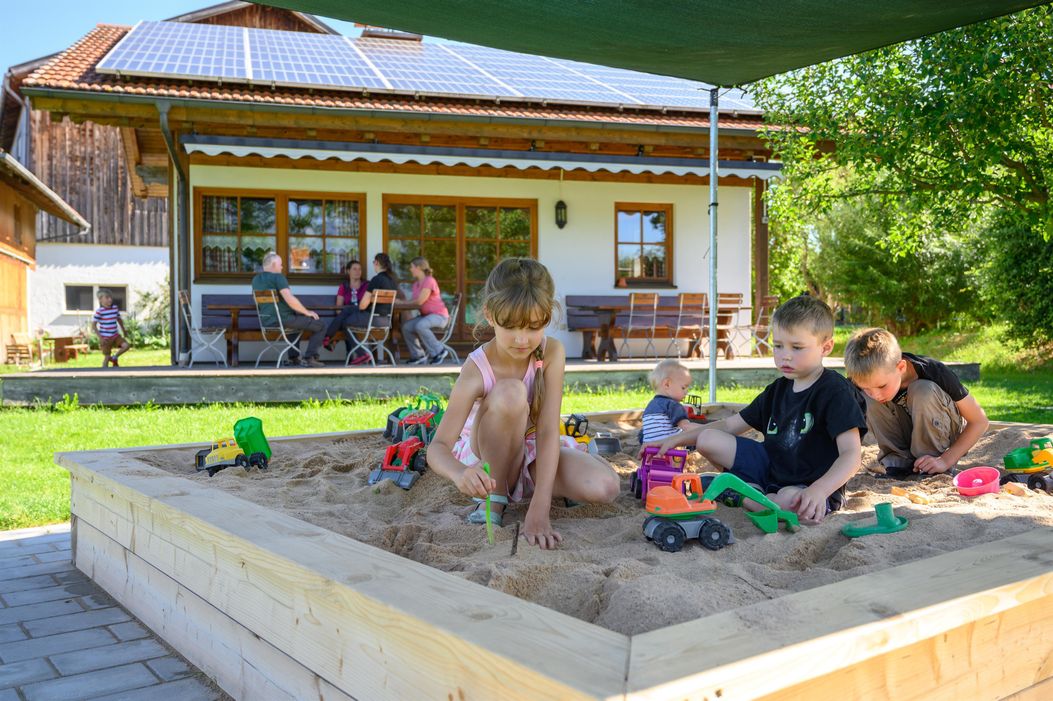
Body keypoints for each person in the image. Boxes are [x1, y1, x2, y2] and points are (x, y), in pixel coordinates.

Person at [426, 258, 620, 549]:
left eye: (533, 327)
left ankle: (529, 490)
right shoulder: (477, 367)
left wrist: (540, 508)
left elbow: (546, 431)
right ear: (490, 315)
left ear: (547, 316)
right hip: (488, 460)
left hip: (529, 453)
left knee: (605, 487)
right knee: (511, 393)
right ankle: (496, 498)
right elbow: (438, 447)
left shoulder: (552, 351)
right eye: (512, 326)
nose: (522, 339)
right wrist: (459, 474)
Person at [644, 295, 867, 523]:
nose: (785, 355)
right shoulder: (778, 389)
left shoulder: (835, 391)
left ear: (826, 347)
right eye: (778, 346)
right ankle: (750, 491)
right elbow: (730, 425)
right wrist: (675, 440)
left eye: (797, 347)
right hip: (769, 467)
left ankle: (743, 493)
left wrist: (820, 490)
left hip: (809, 483)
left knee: (791, 503)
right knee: (708, 438)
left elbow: (851, 455)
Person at [844, 327, 989, 477]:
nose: (875, 394)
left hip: (941, 442)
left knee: (922, 389)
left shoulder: (934, 371)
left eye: (882, 386)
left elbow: (979, 421)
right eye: (866, 387)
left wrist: (945, 460)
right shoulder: (865, 386)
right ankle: (898, 464)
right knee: (865, 399)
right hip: (904, 436)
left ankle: (929, 466)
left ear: (901, 367)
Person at [251, 252, 326, 367]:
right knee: (320, 325)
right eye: (280, 264)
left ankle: (293, 358)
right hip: (283, 319)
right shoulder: (278, 277)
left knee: (295, 324)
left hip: (267, 321)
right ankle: (310, 357)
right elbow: (289, 298)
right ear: (274, 264)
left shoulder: (256, 280)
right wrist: (307, 312)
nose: (282, 267)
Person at [341, 253, 399, 365]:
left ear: (377, 262)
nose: (373, 264)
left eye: (373, 262)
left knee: (346, 323)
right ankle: (363, 354)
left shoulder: (376, 279)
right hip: (386, 322)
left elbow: (362, 305)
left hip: (373, 321)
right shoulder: (393, 281)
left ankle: (362, 353)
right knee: (354, 318)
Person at [400, 256, 450, 365]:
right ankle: (418, 355)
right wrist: (402, 303)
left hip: (439, 316)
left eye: (412, 267)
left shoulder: (429, 280)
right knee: (407, 327)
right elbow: (414, 302)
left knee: (420, 325)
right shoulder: (415, 285)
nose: (410, 269)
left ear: (418, 267)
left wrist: (401, 303)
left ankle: (439, 351)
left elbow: (419, 301)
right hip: (426, 316)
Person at [322, 260, 369, 356]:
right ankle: (358, 354)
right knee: (346, 321)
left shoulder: (367, 285)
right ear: (348, 271)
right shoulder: (344, 286)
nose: (358, 271)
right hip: (347, 317)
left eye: (359, 269)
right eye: (354, 269)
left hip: (362, 316)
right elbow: (339, 307)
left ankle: (330, 338)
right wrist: (342, 316)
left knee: (346, 319)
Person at [639, 359, 693, 443]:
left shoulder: (650, 406)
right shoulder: (673, 405)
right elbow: (686, 426)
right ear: (667, 384)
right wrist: (708, 428)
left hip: (649, 449)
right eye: (683, 387)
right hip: (669, 450)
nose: (686, 392)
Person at [92, 289, 130, 368]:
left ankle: (114, 357)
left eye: (111, 298)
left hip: (115, 335)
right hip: (105, 338)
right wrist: (100, 338)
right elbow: (93, 326)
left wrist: (124, 330)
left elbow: (119, 319)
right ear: (100, 299)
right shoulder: (100, 311)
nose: (110, 299)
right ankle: (104, 375)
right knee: (106, 358)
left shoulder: (115, 308)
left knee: (126, 346)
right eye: (107, 297)